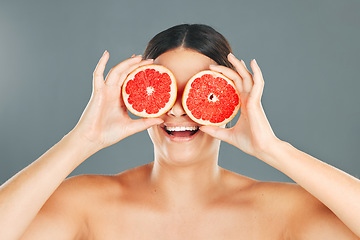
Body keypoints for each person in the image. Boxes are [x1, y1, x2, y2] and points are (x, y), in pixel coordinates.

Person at [0, 24, 359, 240]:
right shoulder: (85, 203)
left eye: (200, 91)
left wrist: (274, 149)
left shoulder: (282, 210)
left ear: (233, 101)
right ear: (140, 98)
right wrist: (81, 141)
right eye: (165, 89)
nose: (178, 108)